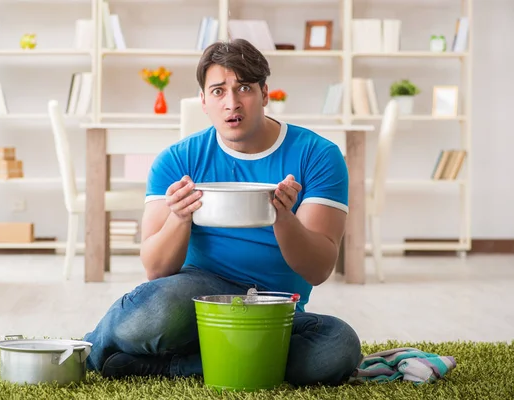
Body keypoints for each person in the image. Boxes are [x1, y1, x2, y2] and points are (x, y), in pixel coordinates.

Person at [82, 38, 361, 387]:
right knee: (153, 313)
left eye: (244, 88)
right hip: (195, 298)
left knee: (337, 347)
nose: (232, 103)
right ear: (203, 100)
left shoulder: (318, 156)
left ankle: (167, 365)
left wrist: (284, 217)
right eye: (217, 91)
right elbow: (156, 268)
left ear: (265, 93)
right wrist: (179, 217)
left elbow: (319, 269)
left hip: (273, 308)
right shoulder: (178, 159)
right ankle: (91, 350)